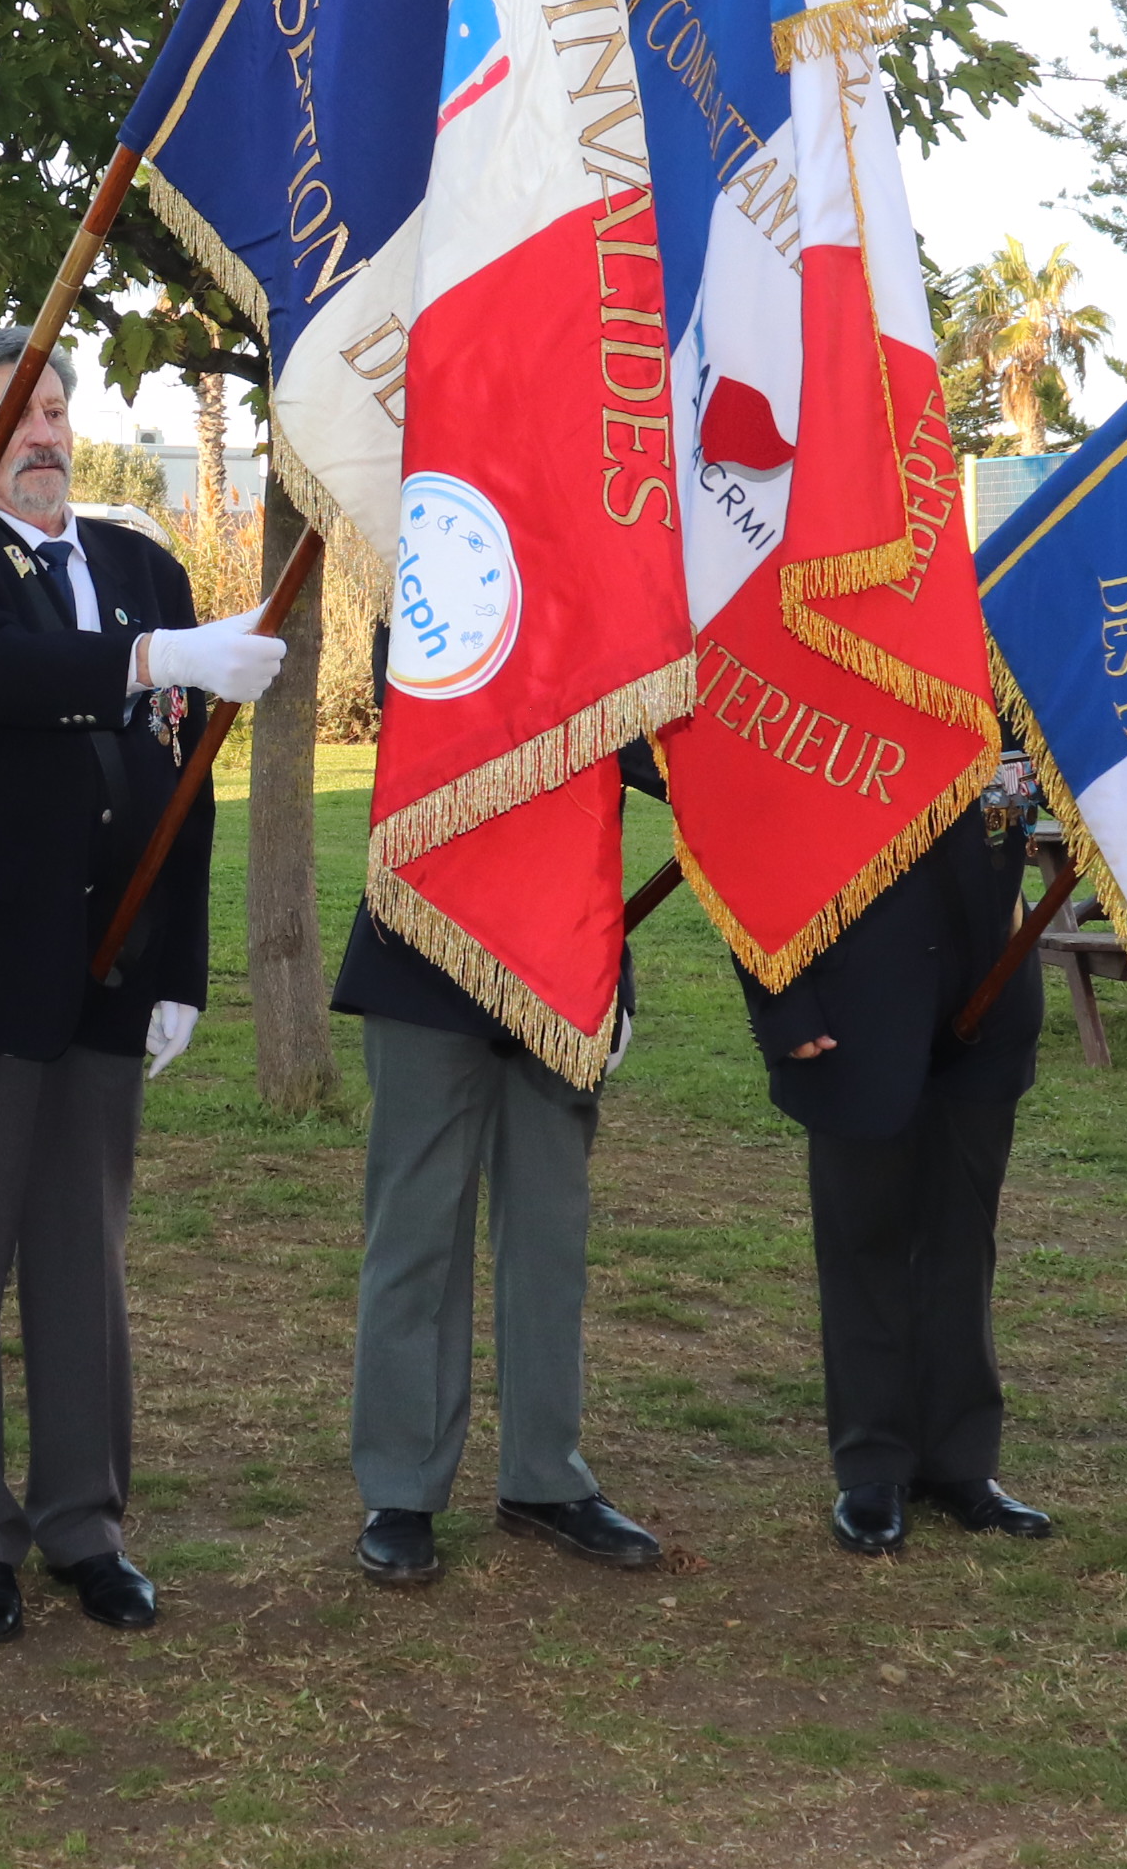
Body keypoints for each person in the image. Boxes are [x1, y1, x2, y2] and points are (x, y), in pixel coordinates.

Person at [0, 328, 284, 1645]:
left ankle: (86, 1525)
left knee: (83, 1262)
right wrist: (161, 659)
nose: (41, 435)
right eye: (11, 416)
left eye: (53, 410)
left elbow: (182, 787)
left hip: (112, 963)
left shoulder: (143, 565)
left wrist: (184, 967)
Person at [337, 628, 668, 1585]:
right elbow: (436, 703)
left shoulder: (623, 586)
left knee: (549, 1234)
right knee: (415, 1236)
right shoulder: (446, 556)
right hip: (429, 941)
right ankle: (400, 1485)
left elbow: (658, 746)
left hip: (567, 953)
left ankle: (544, 1474)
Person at [739, 760, 1056, 1556]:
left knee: (961, 1238)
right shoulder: (816, 668)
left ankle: (963, 1461)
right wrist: (780, 1001)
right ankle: (872, 1464)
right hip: (855, 1005)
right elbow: (745, 831)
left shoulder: (1006, 681)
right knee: (866, 1237)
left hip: (988, 998)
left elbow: (1012, 812)